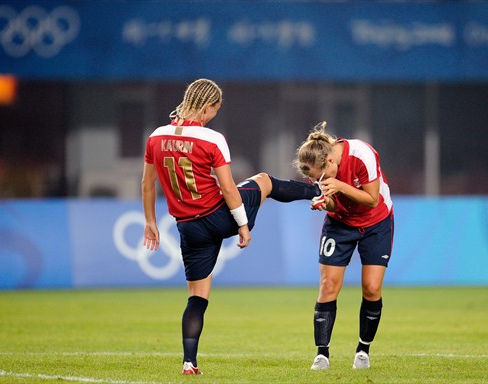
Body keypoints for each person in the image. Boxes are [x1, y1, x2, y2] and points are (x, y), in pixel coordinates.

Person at [141, 78, 321, 375]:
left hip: (188, 227)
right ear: (207, 106)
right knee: (264, 181)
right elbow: (227, 188)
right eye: (214, 109)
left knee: (197, 297)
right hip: (218, 215)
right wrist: (243, 225)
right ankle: (317, 191)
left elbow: (147, 184)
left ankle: (189, 362)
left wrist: (150, 221)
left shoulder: (155, 137)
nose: (213, 115)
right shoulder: (212, 139)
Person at [294, 121, 394, 370]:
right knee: (328, 285)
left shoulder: (362, 154)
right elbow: (333, 204)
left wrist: (340, 186)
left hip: (376, 222)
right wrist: (323, 203)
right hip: (340, 224)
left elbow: (372, 199)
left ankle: (363, 350)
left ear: (329, 161)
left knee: (371, 288)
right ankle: (322, 354)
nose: (321, 180)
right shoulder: (320, 170)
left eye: (322, 176)